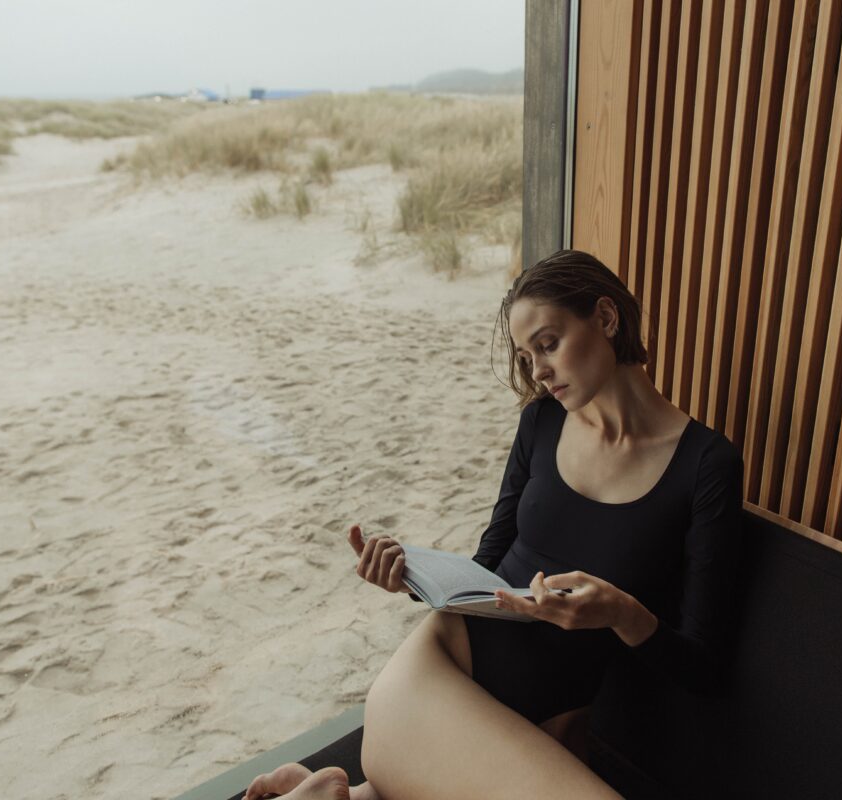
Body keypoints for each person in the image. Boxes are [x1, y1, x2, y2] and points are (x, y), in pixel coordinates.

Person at [244, 249, 744, 800]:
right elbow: (485, 567)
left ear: (605, 318)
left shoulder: (706, 467)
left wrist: (622, 613)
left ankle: (333, 793)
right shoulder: (542, 423)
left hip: (538, 729)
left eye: (548, 344)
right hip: (440, 672)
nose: (538, 371)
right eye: (527, 355)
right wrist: (411, 576)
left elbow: (704, 668)